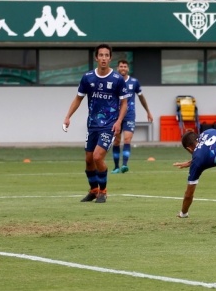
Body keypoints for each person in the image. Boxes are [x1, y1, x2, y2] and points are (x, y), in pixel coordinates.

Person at [63, 44, 128, 203]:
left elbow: (124, 103)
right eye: (101, 55)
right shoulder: (88, 78)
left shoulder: (117, 79)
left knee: (98, 157)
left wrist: (119, 122)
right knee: (89, 160)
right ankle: (93, 190)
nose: (104, 58)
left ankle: (103, 191)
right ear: (96, 58)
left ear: (110, 58)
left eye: (107, 55)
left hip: (109, 125)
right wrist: (68, 117)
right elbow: (78, 98)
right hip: (92, 125)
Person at [111, 60, 153, 174]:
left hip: (129, 114)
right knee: (116, 141)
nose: (123, 68)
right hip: (115, 114)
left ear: (128, 69)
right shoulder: (113, 80)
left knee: (127, 139)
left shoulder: (134, 82)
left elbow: (141, 97)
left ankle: (124, 165)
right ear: (118, 68)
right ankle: (116, 167)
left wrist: (148, 111)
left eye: (125, 66)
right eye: (121, 66)